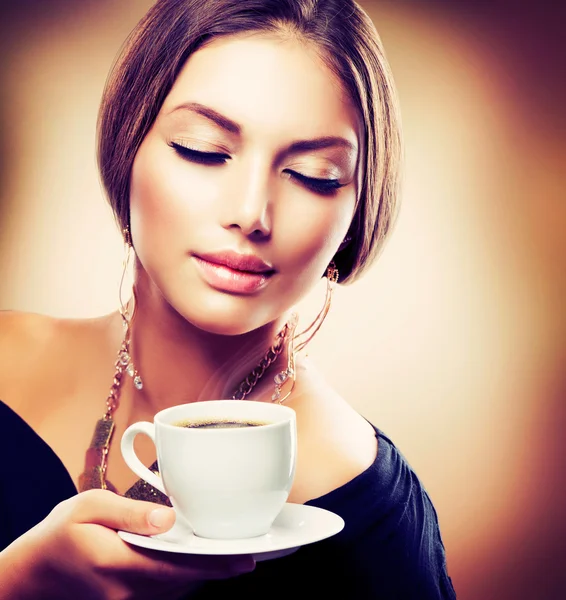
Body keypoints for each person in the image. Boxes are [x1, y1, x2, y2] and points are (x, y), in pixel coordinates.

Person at [0, 0, 457, 597]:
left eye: (315, 174)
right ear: (128, 144)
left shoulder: (369, 510)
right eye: (202, 149)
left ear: (355, 210)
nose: (250, 213)